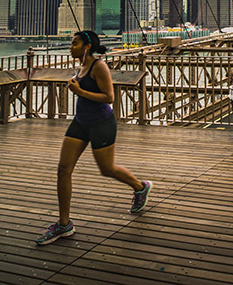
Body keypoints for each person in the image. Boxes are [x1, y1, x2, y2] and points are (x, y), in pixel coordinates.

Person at [36, 30, 152, 246]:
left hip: (101, 123)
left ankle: (140, 187)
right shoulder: (81, 66)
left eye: (74, 43)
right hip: (80, 122)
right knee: (63, 170)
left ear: (86, 46)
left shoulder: (99, 66)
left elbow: (109, 97)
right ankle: (64, 224)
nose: (70, 47)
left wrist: (79, 92)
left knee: (107, 169)